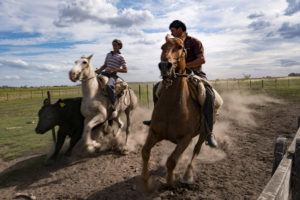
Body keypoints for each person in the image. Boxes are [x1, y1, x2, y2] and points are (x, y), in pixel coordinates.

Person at [143, 20, 218, 148]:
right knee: (157, 88)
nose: (171, 33)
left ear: (179, 29)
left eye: (172, 30)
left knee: (209, 94)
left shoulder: (194, 42)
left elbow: (202, 59)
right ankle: (155, 120)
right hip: (175, 75)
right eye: (171, 32)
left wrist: (184, 66)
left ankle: (209, 132)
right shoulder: (172, 43)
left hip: (195, 74)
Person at [95, 39, 127, 118]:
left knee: (109, 86)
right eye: (113, 45)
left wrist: (114, 70)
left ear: (119, 46)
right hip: (104, 73)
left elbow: (125, 69)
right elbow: (105, 65)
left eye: (115, 45)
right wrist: (99, 70)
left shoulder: (121, 57)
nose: (114, 46)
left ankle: (114, 106)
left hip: (113, 75)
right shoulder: (108, 54)